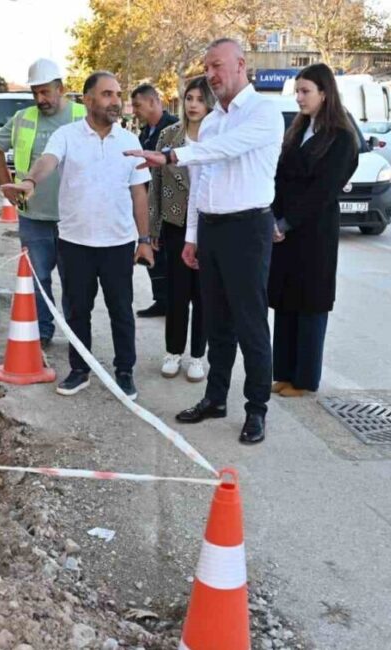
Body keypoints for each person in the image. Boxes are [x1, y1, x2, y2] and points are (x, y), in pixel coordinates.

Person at [126, 38, 283, 444]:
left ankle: (256, 409)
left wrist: (174, 155)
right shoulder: (211, 122)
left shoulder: (264, 113)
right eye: (207, 68)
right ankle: (215, 398)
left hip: (248, 229)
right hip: (210, 230)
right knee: (217, 323)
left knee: (250, 324)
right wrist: (192, 236)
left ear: (241, 64)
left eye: (217, 66)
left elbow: (225, 152)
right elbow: (201, 184)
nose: (211, 74)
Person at [2, 71, 154, 400]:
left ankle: (124, 371)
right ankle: (80, 369)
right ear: (87, 100)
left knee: (121, 310)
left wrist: (144, 240)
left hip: (117, 242)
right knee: (77, 310)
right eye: (107, 94)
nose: (115, 101)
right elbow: (47, 161)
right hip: (75, 242)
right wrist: (29, 182)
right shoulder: (67, 135)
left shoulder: (130, 141)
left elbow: (139, 194)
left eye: (117, 94)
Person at [268, 64, 358, 398]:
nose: (300, 98)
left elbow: (322, 191)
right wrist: (274, 218)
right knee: (286, 301)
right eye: (298, 91)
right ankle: (285, 372)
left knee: (310, 304)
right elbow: (279, 175)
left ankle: (305, 379)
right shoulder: (298, 129)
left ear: (325, 93)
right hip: (285, 232)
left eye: (306, 91)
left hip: (313, 233)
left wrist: (286, 222)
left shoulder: (341, 138)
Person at [0, 59, 87, 348]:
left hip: (73, 217)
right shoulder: (24, 118)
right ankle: (43, 332)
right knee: (38, 279)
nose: (40, 99)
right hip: (33, 216)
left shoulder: (82, 116)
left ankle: (75, 335)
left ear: (62, 89)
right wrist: (5, 185)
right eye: (36, 93)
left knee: (74, 284)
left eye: (45, 92)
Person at [148, 76, 214, 383]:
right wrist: (152, 230)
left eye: (200, 99)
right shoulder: (168, 135)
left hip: (211, 227)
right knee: (176, 294)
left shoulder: (219, 136)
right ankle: (173, 352)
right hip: (175, 226)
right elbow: (156, 185)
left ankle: (198, 356)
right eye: (189, 98)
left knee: (204, 296)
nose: (193, 105)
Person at [131, 84, 179, 319]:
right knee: (153, 252)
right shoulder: (145, 132)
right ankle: (161, 300)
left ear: (153, 102)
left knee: (168, 253)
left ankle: (172, 301)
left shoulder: (173, 128)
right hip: (149, 201)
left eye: (138, 105)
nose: (135, 111)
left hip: (169, 202)